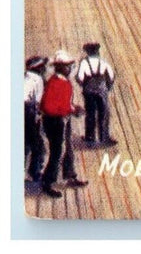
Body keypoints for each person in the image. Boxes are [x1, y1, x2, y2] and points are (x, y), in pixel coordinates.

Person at [40, 50, 88, 198]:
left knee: (67, 148)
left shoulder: (61, 81)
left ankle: (70, 175)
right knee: (57, 152)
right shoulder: (56, 82)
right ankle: (48, 182)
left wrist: (72, 108)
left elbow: (63, 103)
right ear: (59, 67)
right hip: (55, 122)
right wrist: (71, 110)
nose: (70, 68)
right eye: (67, 66)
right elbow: (48, 106)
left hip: (62, 120)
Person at [76, 42, 116, 146]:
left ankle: (90, 137)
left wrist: (84, 85)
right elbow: (111, 76)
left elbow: (80, 78)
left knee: (90, 113)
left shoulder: (84, 63)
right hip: (102, 91)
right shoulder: (103, 62)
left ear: (88, 52)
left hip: (89, 91)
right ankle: (104, 137)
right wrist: (107, 86)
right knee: (104, 113)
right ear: (97, 52)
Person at [24, 56, 47, 182]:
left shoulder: (23, 77)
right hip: (29, 111)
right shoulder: (38, 80)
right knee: (37, 145)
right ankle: (35, 172)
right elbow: (38, 101)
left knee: (24, 143)